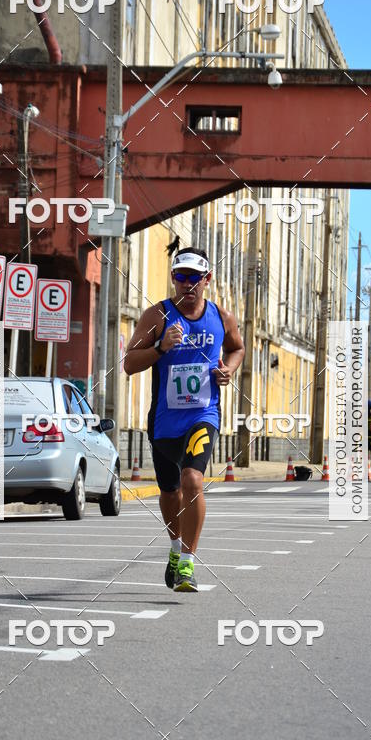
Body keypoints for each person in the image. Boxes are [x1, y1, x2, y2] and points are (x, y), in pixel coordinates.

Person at [124, 247, 244, 592]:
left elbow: (237, 348)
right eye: (181, 276)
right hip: (164, 421)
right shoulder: (157, 316)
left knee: (193, 478)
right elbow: (130, 363)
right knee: (170, 491)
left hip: (203, 414)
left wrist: (228, 370)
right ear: (173, 278)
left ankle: (188, 563)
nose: (187, 284)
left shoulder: (222, 317)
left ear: (207, 280)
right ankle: (176, 549)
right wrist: (161, 347)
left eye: (195, 277)